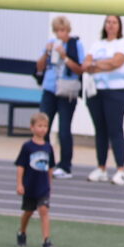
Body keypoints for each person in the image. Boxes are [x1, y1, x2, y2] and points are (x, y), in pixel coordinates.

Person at [83, 14, 124, 185]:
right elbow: (86, 64)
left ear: (119, 25)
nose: (110, 25)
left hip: (116, 91)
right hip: (96, 91)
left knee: (115, 129)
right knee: (100, 130)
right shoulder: (97, 44)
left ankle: (121, 169)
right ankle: (101, 167)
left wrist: (96, 64)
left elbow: (116, 63)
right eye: (108, 22)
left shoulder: (123, 43)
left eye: (114, 22)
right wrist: (102, 64)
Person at [35, 16, 83, 179]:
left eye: (62, 30)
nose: (59, 34)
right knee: (43, 127)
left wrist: (65, 56)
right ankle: (45, 162)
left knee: (64, 130)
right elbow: (39, 67)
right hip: (50, 89)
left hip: (66, 92)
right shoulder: (51, 43)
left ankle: (65, 166)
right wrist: (47, 52)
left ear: (68, 31)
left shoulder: (76, 45)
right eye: (57, 31)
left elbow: (79, 69)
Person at [15, 111, 56, 247]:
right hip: (30, 185)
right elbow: (21, 166)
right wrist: (20, 184)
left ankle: (46, 240)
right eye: (40, 126)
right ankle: (22, 232)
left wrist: (49, 184)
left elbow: (50, 167)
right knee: (28, 212)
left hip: (42, 186)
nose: (43, 129)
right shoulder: (27, 147)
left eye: (45, 126)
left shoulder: (48, 147)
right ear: (32, 127)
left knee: (44, 210)